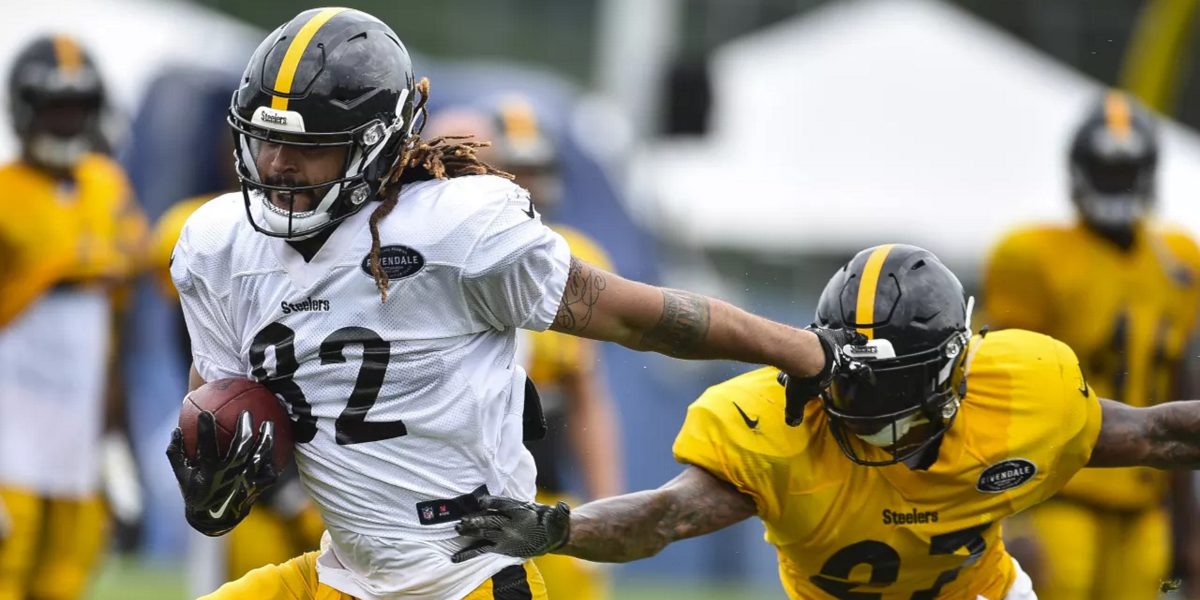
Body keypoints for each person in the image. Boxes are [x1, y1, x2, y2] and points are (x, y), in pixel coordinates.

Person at [164, 8, 853, 599]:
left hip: (462, 579)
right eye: (266, 140)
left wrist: (805, 351)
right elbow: (218, 406)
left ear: (374, 146)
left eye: (304, 147)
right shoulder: (220, 243)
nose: (277, 165)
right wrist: (213, 473)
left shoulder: (456, 230)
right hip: (339, 574)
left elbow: (644, 318)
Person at [452, 242, 1200, 600]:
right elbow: (666, 518)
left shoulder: (1023, 394)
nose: (873, 431)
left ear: (955, 373)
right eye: (857, 404)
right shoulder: (775, 430)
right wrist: (559, 529)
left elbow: (1161, 434)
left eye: (894, 409)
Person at [983, 90, 1200, 600]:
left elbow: (1182, 388)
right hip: (1060, 496)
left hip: (1144, 507)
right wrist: (1007, 518)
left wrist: (1189, 537)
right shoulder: (1032, 255)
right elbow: (996, 391)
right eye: (1104, 169)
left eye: (1125, 170)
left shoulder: (1180, 262)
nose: (1115, 182)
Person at [424, 99, 622, 600]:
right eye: (515, 167)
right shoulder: (415, 257)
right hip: (436, 500)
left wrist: (605, 504)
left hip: (539, 489)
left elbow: (586, 396)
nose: (524, 182)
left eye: (533, 168)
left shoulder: (574, 257)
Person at [0, 35, 147, 600]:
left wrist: (117, 429)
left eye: (76, 107)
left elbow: (117, 323)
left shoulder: (108, 185)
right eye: (54, 106)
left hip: (82, 417)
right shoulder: (6, 191)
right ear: (26, 108)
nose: (65, 122)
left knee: (67, 577)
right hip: (9, 416)